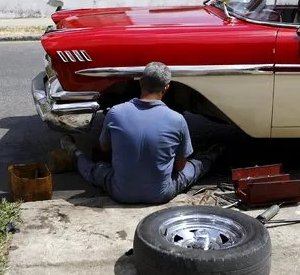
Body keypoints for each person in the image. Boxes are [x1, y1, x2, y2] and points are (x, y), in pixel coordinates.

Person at [60, 62, 222, 204]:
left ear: (141, 82)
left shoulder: (116, 113)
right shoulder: (177, 120)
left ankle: (74, 151)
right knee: (194, 167)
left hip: (120, 193)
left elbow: (105, 148)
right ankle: (215, 153)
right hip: (161, 194)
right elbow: (179, 167)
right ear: (167, 87)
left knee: (95, 170)